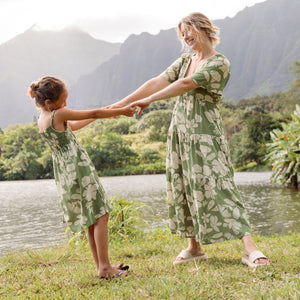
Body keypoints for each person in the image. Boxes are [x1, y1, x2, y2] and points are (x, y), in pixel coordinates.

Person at [108, 12, 269, 267]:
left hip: (205, 134)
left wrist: (149, 101)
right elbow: (157, 81)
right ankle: (194, 247)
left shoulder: (219, 63)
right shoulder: (185, 59)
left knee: (221, 185)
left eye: (189, 30)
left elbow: (185, 84)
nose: (185, 37)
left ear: (204, 28)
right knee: (183, 185)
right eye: (181, 33)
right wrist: (121, 103)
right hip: (180, 133)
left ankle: (250, 248)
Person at [28, 75, 136, 278]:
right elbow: (93, 111)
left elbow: (76, 125)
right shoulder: (59, 114)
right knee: (101, 214)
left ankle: (102, 266)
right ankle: (105, 267)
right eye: (63, 100)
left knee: (91, 218)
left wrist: (104, 113)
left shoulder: (45, 118)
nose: (66, 104)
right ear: (50, 102)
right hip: (79, 169)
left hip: (67, 172)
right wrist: (122, 111)